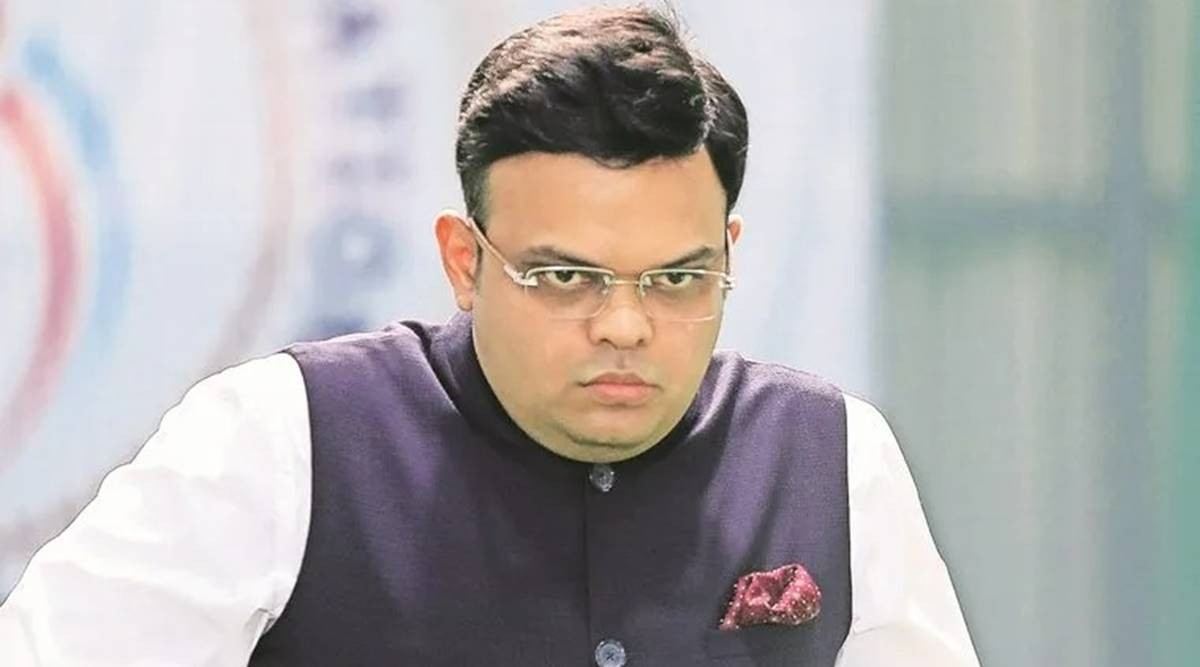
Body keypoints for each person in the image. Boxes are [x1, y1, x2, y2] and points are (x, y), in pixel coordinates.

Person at [0, 6, 979, 666]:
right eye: (565, 277)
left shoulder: (831, 458)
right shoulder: (280, 439)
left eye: (677, 279)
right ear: (463, 261)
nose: (625, 325)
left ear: (729, 254)